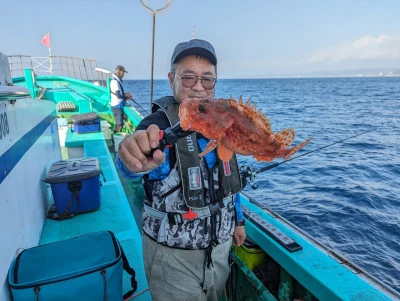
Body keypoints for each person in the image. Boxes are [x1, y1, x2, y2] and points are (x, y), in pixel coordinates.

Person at [116, 39, 246, 301]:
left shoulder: (222, 120)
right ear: (171, 79)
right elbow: (134, 162)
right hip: (172, 257)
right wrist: (132, 155)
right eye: (188, 78)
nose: (198, 87)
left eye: (207, 79)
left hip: (220, 250)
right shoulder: (158, 124)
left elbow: (230, 176)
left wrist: (239, 220)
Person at [110, 65, 133, 132]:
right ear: (118, 72)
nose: (123, 75)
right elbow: (118, 95)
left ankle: (115, 136)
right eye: (122, 73)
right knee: (119, 124)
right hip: (117, 106)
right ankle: (116, 137)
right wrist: (126, 95)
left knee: (118, 123)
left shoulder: (116, 81)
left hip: (118, 105)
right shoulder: (114, 82)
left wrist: (125, 97)